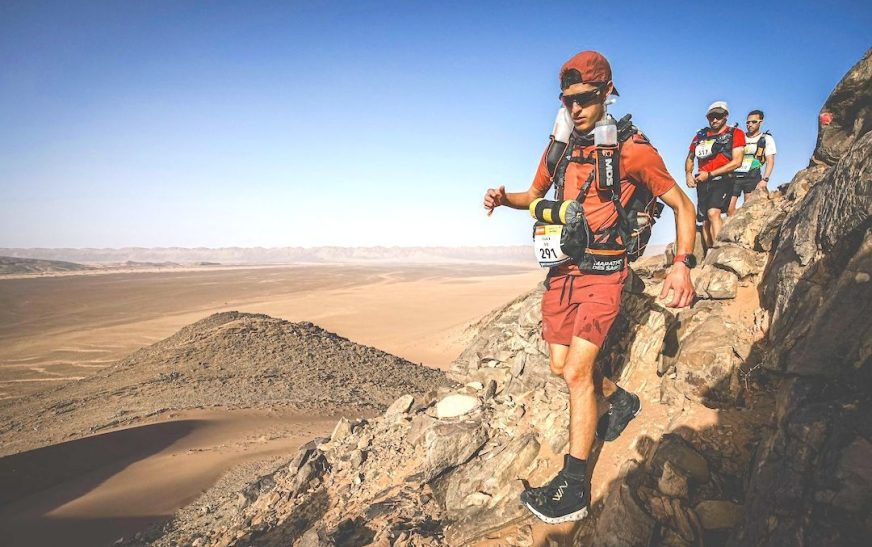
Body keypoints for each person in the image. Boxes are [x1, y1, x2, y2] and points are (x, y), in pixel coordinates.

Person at [482, 51, 697, 524]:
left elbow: (683, 205)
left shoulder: (633, 150)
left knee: (578, 373)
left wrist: (682, 265)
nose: (576, 108)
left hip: (604, 271)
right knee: (561, 365)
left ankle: (574, 486)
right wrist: (505, 197)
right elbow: (534, 196)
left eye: (586, 98)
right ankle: (619, 399)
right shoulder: (558, 148)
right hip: (562, 271)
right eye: (569, 100)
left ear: (606, 93)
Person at [685, 101, 745, 248]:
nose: (714, 120)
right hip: (703, 182)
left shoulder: (735, 133)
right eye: (711, 117)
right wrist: (688, 174)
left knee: (713, 213)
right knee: (704, 220)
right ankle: (709, 254)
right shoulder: (700, 136)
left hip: (723, 180)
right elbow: (690, 157)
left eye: (718, 116)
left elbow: (737, 161)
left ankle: (719, 250)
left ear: (726, 116)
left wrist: (710, 174)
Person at [728, 109, 777, 215]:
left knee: (748, 208)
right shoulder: (740, 136)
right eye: (748, 122)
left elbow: (770, 160)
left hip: (752, 175)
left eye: (754, 122)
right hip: (735, 175)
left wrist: (765, 180)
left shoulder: (766, 138)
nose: (750, 124)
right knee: (729, 208)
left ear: (761, 122)